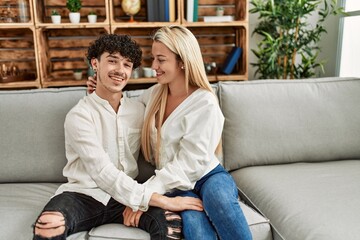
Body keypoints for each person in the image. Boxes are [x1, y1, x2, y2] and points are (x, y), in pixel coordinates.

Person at [88, 26, 252, 240]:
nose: (153, 66)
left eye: (161, 59)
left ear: (182, 61)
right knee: (194, 226)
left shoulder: (205, 103)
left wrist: (143, 196)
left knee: (218, 198)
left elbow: (189, 164)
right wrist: (101, 89)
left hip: (207, 175)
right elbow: (125, 111)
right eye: (154, 58)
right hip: (175, 185)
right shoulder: (154, 94)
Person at [33, 33, 203, 240]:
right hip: (83, 195)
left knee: (172, 225)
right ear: (95, 64)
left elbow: (165, 135)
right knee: (47, 225)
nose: (120, 71)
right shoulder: (79, 116)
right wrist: (161, 200)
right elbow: (102, 172)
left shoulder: (140, 109)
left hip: (125, 198)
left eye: (127, 64)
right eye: (112, 61)